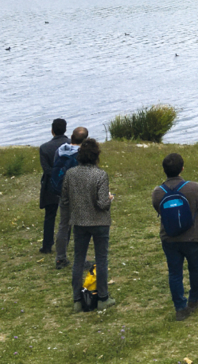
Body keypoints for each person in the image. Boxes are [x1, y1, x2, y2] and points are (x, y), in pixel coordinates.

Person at [60, 138, 115, 312]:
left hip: (79, 222)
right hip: (99, 221)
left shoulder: (70, 174)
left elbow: (65, 199)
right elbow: (102, 204)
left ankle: (77, 299)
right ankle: (103, 297)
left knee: (78, 259)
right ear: (96, 156)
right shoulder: (100, 175)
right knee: (101, 258)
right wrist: (109, 198)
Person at [152, 153, 198, 321]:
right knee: (195, 267)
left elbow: (158, 210)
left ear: (164, 170)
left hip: (169, 238)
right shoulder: (194, 187)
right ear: (182, 168)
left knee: (175, 272)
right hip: (193, 236)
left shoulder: (157, 192)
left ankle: (180, 307)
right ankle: (194, 299)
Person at [54, 126, 88, 269]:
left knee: (64, 225)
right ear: (85, 140)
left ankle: (60, 258)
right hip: (79, 193)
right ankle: (80, 260)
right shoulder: (83, 153)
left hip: (63, 191)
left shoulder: (60, 150)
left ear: (72, 137)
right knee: (81, 227)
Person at [38, 118, 69, 254]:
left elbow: (47, 170)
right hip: (68, 184)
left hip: (51, 185)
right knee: (67, 217)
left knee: (50, 216)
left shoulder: (44, 148)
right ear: (65, 129)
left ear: (52, 131)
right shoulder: (72, 145)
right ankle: (65, 243)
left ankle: (47, 245)